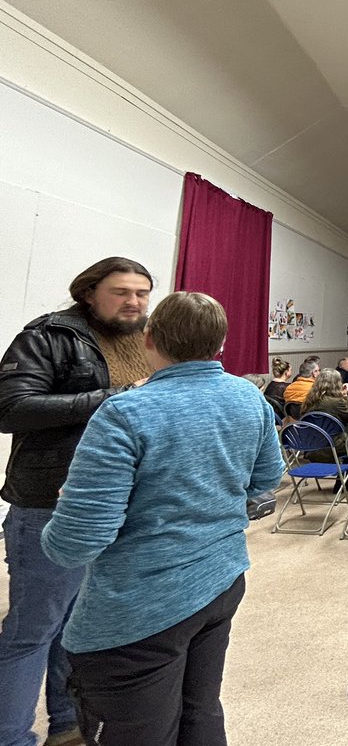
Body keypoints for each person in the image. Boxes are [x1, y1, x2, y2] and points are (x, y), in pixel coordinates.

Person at [39, 291, 284, 744]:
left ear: (148, 338)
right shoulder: (249, 398)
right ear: (221, 344)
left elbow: (74, 545)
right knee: (201, 713)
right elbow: (268, 476)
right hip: (223, 582)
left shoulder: (125, 412)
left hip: (140, 607)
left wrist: (67, 505)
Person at [0, 256, 154, 746]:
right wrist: (112, 397)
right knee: (32, 630)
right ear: (88, 293)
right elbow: (11, 408)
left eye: (142, 293)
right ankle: (12, 736)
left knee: (78, 627)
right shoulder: (47, 336)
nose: (134, 302)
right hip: (49, 503)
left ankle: (66, 723)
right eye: (121, 292)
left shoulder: (144, 339)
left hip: (112, 504)